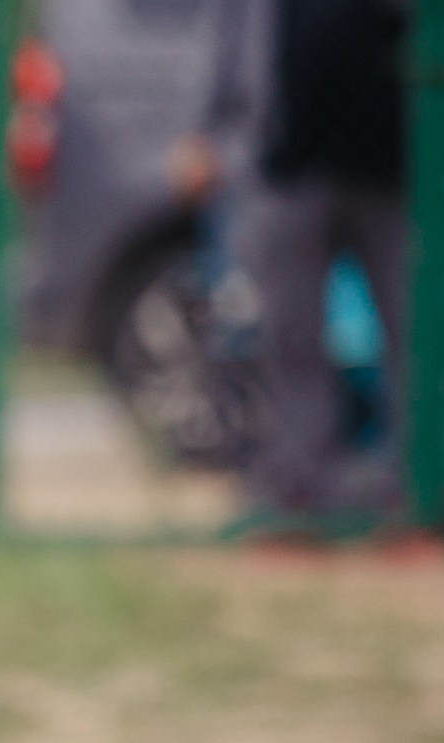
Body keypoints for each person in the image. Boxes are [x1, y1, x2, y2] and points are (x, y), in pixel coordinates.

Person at [171, 0, 407, 519]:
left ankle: (416, 499)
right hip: (286, 162)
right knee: (290, 339)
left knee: (414, 336)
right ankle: (300, 496)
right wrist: (204, 131)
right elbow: (228, 37)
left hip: (394, 162)